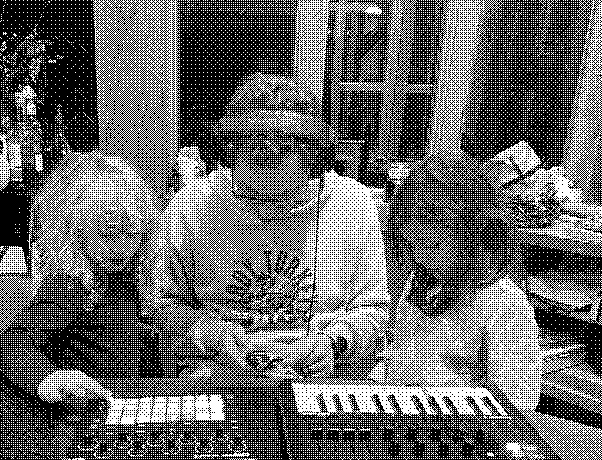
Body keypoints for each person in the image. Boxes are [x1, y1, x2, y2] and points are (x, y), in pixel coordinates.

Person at [153, 73, 390, 379]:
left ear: (313, 153)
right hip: (220, 382)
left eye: (286, 144)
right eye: (253, 143)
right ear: (229, 148)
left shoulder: (351, 203)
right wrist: (213, 335)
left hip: (319, 386)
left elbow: (374, 310)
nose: (269, 153)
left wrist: (332, 342)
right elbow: (162, 305)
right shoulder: (191, 206)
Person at [371, 151, 543, 413]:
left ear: (474, 226)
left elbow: (519, 402)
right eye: (408, 219)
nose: (416, 232)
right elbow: (398, 367)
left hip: (463, 432)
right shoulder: (417, 287)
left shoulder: (504, 305)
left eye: (433, 218)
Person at [0, 152, 160, 409]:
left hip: (129, 406)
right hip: (82, 411)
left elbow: (154, 338)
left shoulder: (136, 279)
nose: (119, 248)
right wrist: (49, 379)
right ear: (75, 236)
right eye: (106, 235)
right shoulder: (71, 286)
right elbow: (13, 342)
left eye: (130, 235)